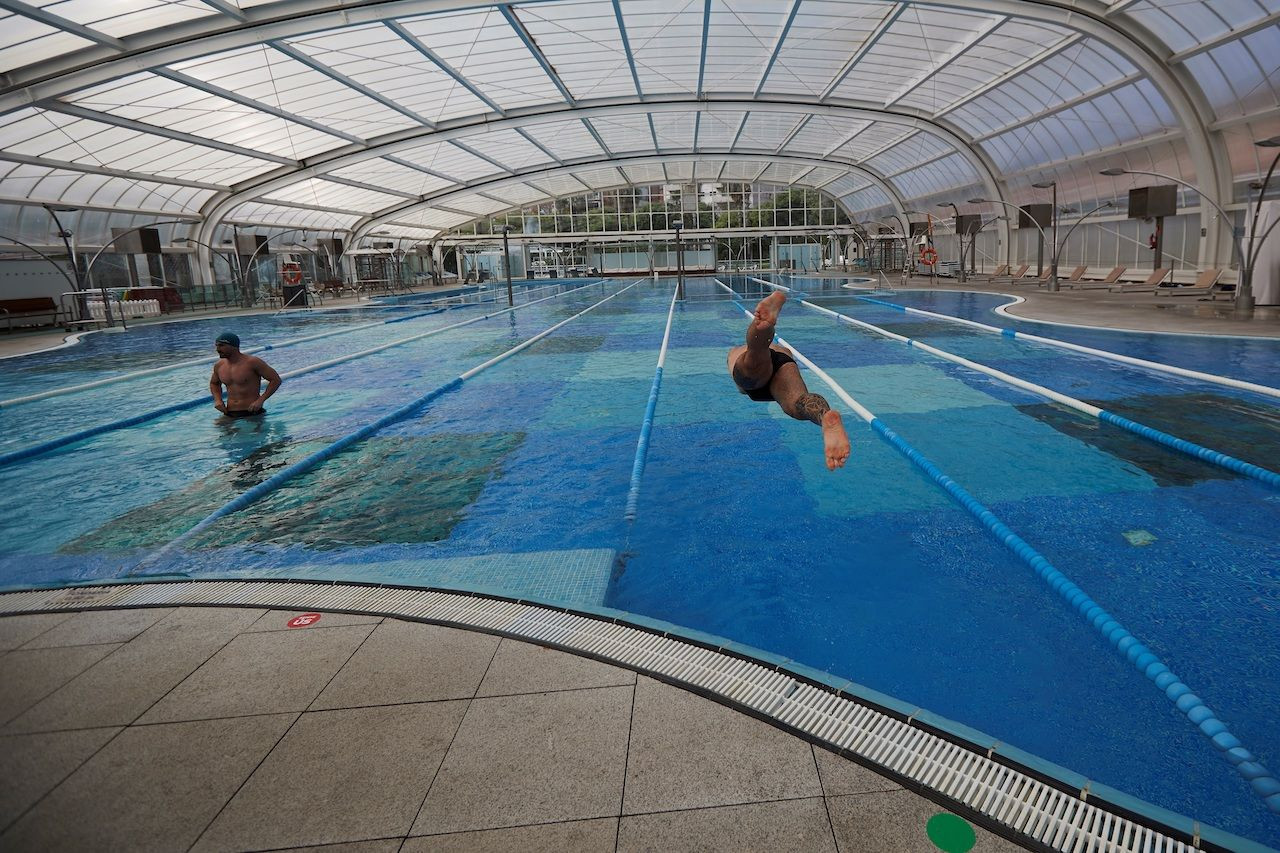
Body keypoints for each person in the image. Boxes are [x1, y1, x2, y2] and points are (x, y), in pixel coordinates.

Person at [727, 291, 851, 470]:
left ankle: (763, 328)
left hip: (755, 369)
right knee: (799, 401)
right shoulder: (782, 348)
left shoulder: (735, 351)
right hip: (783, 361)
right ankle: (824, 416)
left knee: (754, 358)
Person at [209, 332, 281, 418]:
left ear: (233, 346)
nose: (217, 349)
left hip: (252, 412)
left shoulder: (252, 362)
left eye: (221, 345)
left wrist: (261, 400)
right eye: (216, 346)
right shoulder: (219, 365)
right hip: (229, 412)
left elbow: (276, 380)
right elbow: (214, 383)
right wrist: (218, 400)